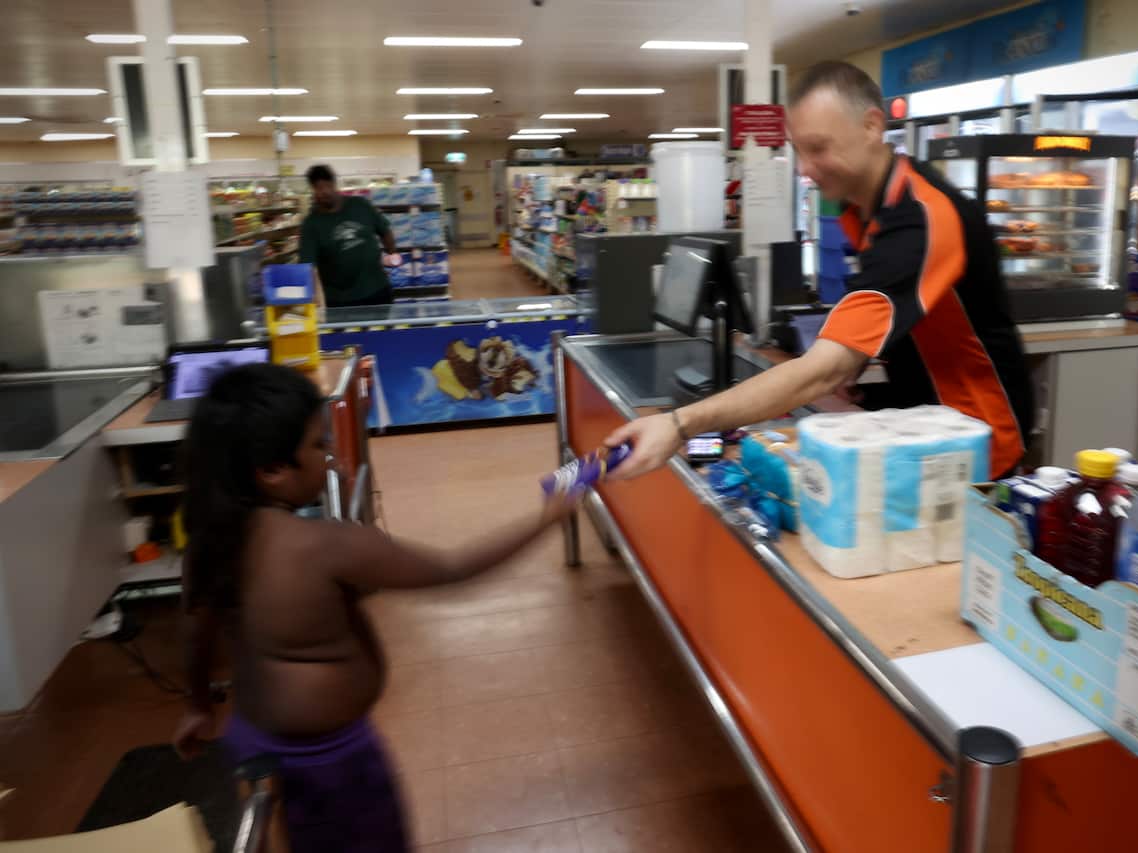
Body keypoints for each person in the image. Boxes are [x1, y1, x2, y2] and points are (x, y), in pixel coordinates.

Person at [172, 363, 577, 851]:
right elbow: (452, 569)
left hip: (253, 741)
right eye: (318, 446)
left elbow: (194, 632)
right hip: (330, 762)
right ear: (273, 471)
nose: (329, 457)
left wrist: (197, 705)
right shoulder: (326, 545)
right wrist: (547, 517)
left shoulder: (209, 543)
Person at [609, 61, 1033, 481]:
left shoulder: (921, 217)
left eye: (818, 148)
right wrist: (856, 365)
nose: (804, 169)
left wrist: (679, 424)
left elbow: (824, 368)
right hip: (923, 427)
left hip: (976, 444)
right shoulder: (863, 208)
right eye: (798, 149)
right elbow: (904, 315)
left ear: (871, 126)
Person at [299, 164, 397, 310]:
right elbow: (308, 266)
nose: (324, 192)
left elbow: (384, 230)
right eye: (318, 188)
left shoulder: (360, 205)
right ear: (313, 190)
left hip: (377, 290)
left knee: (383, 331)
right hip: (339, 300)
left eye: (327, 186)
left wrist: (392, 254)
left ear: (334, 184)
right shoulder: (311, 224)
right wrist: (315, 298)